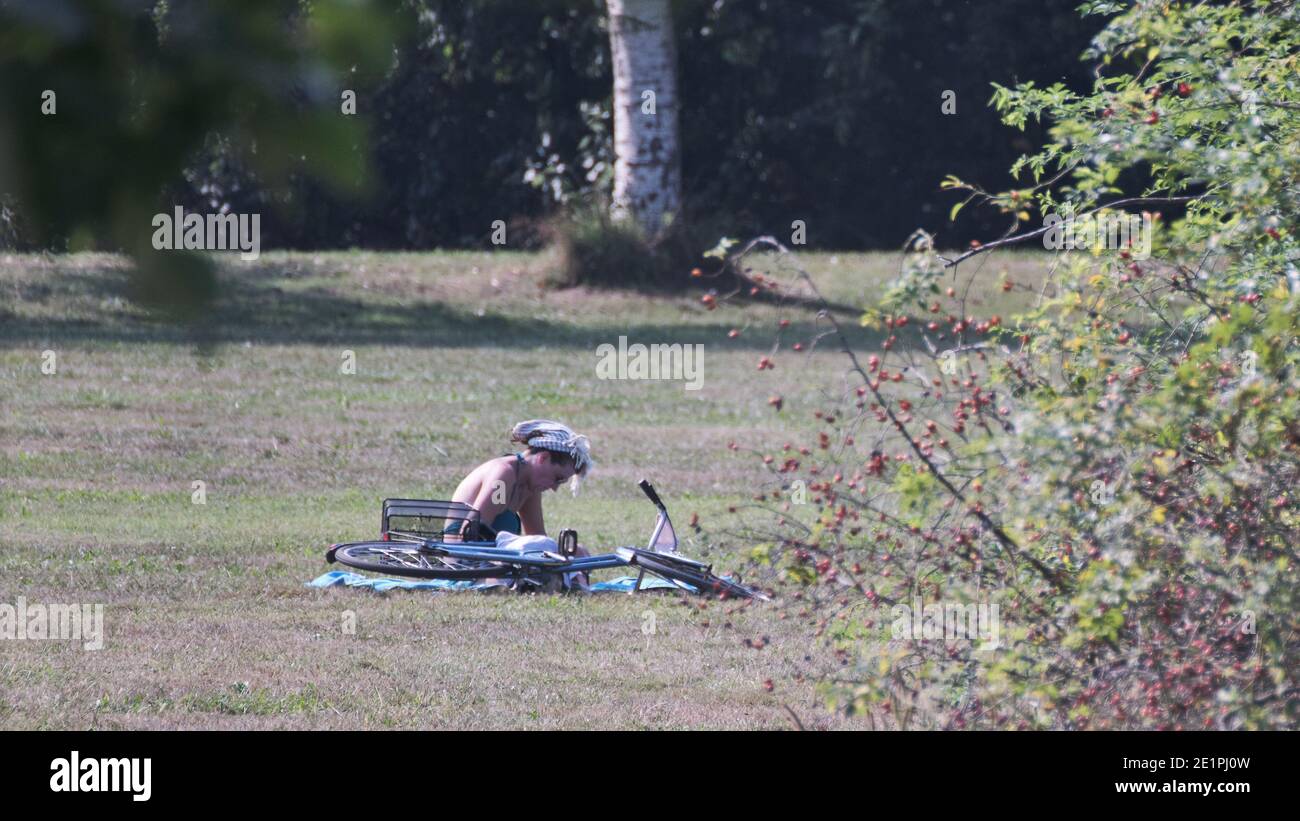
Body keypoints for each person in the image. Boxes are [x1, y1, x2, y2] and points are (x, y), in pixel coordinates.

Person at [444, 419, 592, 542]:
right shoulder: (503, 476)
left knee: (579, 552)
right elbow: (473, 530)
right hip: (462, 562)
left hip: (490, 563)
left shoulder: (529, 487)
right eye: (557, 478)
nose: (554, 488)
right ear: (543, 458)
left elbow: (538, 537)